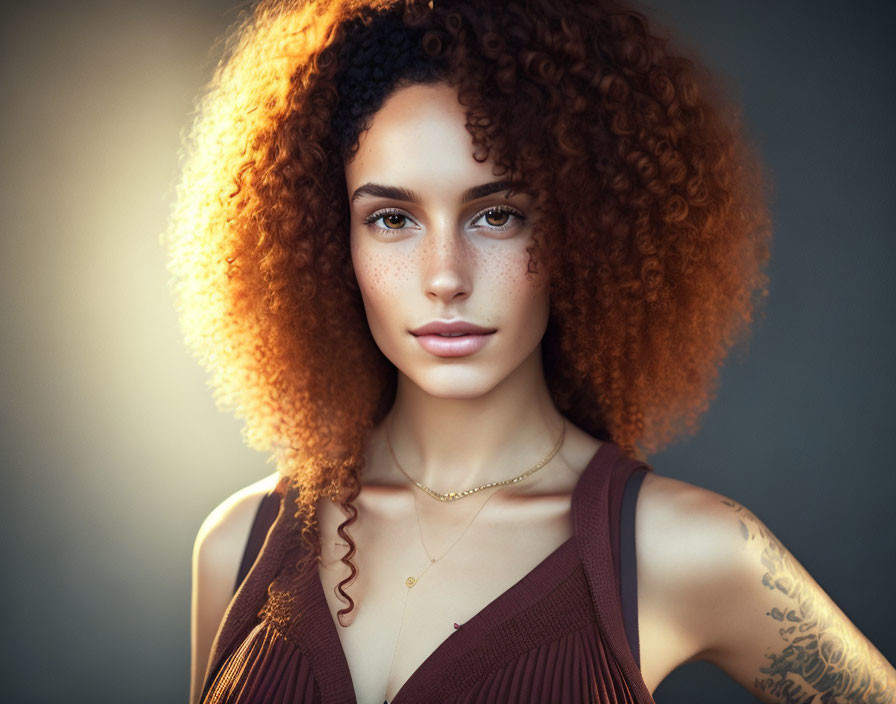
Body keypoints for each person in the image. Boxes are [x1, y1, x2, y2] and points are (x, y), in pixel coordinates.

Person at [165, 1, 896, 702]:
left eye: (498, 215)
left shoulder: (684, 550)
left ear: (584, 228)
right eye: (392, 218)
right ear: (329, 242)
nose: (445, 276)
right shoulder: (236, 545)